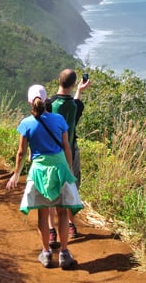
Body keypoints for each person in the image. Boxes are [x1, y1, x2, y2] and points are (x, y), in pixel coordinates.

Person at [6, 85, 83, 269]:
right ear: (47, 98)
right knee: (62, 211)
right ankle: (64, 253)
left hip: (39, 170)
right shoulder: (59, 120)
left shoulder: (26, 123)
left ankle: (46, 253)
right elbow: (66, 146)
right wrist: (70, 170)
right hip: (60, 168)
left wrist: (16, 174)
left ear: (28, 102)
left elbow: (21, 152)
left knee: (42, 212)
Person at [46, 69, 90, 246]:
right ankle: (71, 225)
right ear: (73, 85)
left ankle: (51, 231)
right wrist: (79, 91)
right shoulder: (77, 106)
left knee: (50, 191)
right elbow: (76, 105)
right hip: (70, 152)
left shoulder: (49, 104)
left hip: (51, 154)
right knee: (71, 188)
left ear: (58, 80)